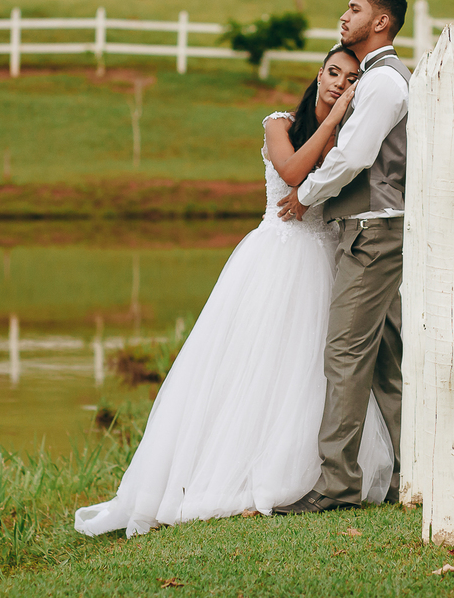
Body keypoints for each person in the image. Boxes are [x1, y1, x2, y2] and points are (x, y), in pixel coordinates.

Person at [74, 45, 395, 538]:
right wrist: (331, 123)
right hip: (276, 259)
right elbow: (291, 174)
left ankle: (321, 472)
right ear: (320, 73)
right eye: (333, 73)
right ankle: (232, 468)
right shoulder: (280, 124)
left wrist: (341, 127)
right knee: (254, 363)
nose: (339, 84)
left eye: (351, 79)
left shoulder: (353, 136)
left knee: (318, 366)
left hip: (327, 258)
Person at [274, 0, 409, 515]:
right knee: (386, 360)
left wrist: (304, 196)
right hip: (381, 227)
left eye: (354, 8)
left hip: (372, 230)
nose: (343, 15)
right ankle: (408, 474)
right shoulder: (379, 78)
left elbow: (353, 157)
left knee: (345, 355)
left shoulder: (382, 83)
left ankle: (337, 486)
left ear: (380, 21)